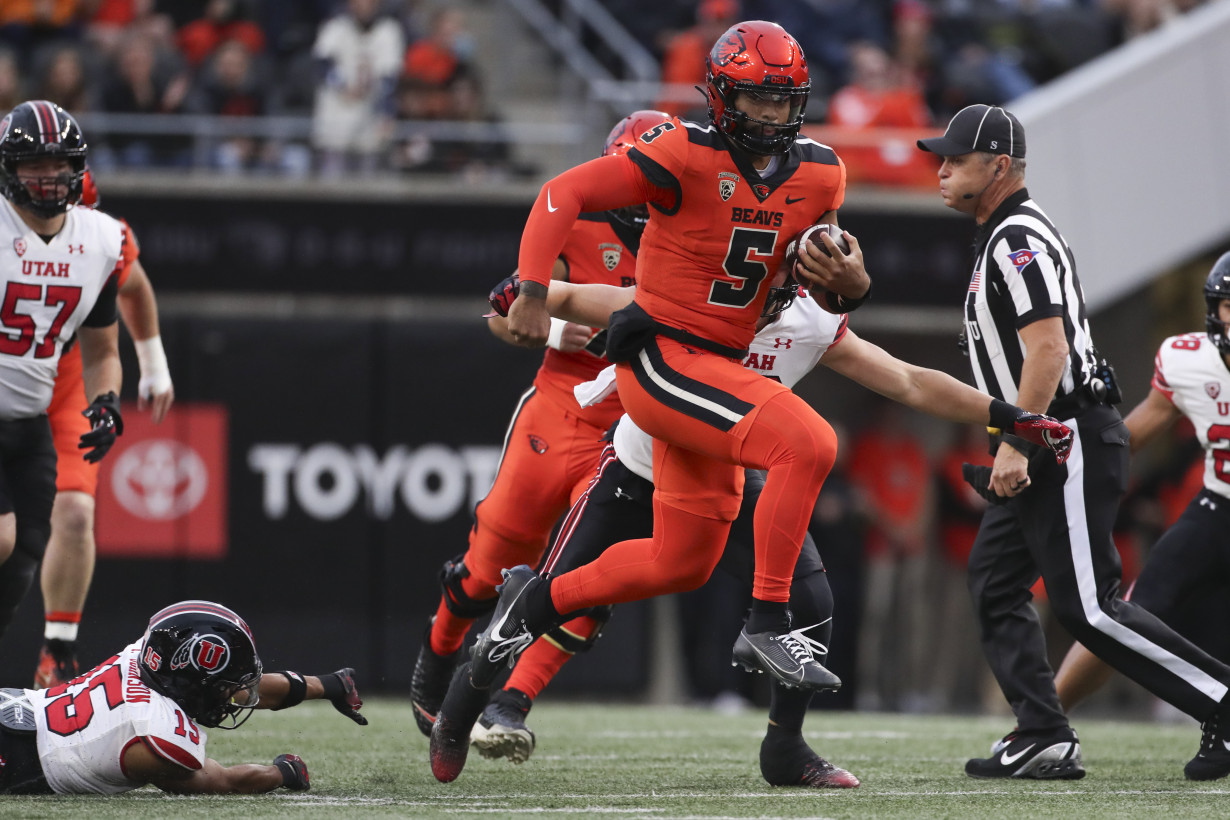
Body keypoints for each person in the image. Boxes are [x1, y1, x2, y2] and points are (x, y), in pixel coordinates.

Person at [453, 266, 1073, 788]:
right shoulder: (692, 293)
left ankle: (784, 744)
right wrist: (524, 298)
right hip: (641, 457)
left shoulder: (810, 317)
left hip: (732, 468)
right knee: (560, 588)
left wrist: (1009, 416)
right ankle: (475, 702)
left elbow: (910, 379)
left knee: (815, 601)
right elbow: (556, 303)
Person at [917, 103, 1230, 781]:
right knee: (996, 584)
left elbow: (1049, 349)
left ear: (998, 166)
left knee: (1090, 607)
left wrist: (1018, 441)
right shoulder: (1002, 232)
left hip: (1061, 432)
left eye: (955, 159)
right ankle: (1043, 732)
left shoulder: (1015, 237)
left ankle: (1223, 702)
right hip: (1047, 432)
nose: (940, 170)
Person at [408, 110, 672, 740]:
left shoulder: (695, 236)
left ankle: (512, 702)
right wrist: (556, 325)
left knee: (588, 576)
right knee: (490, 565)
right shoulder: (577, 221)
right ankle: (442, 643)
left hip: (636, 428)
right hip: (559, 409)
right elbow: (501, 315)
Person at [1053, 254, 1230, 722]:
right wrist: (1066, 467)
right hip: (1217, 507)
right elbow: (1126, 441)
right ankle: (1043, 722)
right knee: (1122, 615)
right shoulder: (1188, 360)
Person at [34, 168, 175, 689]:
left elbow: (134, 288)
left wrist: (153, 364)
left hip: (67, 381)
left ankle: (58, 649)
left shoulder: (100, 239)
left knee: (75, 511)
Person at [0, 599, 366, 794]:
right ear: (191, 678)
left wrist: (330, 685)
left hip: (16, 705)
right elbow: (224, 782)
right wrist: (285, 773)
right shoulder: (156, 731)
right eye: (223, 685)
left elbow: (240, 687)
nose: (231, 695)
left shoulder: (146, 651)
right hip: (17, 761)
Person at [0, 100, 125, 647]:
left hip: (29, 422)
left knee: (24, 555)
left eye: (59, 165)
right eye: (33, 166)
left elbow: (101, 349)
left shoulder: (98, 239)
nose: (48, 178)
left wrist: (107, 399)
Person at [309, 0, 403, 176]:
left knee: (367, 177)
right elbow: (321, 63)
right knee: (332, 176)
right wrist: (342, 85)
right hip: (338, 109)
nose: (363, 6)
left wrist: (387, 112)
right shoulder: (336, 27)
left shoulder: (388, 30)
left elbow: (390, 77)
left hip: (370, 111)